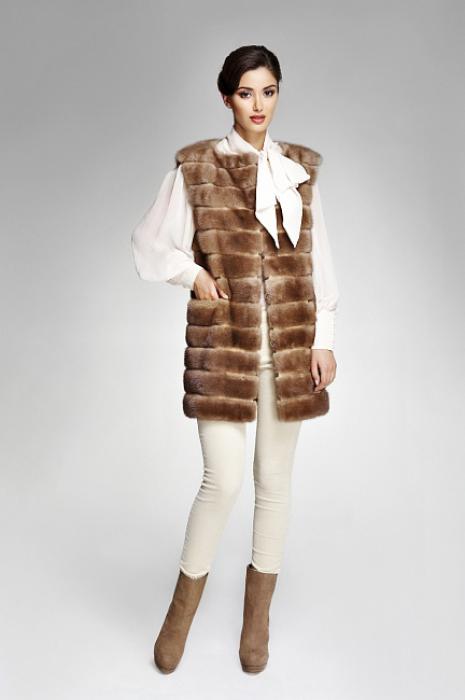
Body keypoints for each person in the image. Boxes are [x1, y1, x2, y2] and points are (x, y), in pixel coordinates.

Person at [131, 45, 339, 674]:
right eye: (246, 93)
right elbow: (150, 243)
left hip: (290, 348)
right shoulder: (197, 168)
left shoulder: (298, 170)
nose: (258, 105)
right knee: (222, 480)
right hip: (225, 349)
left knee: (274, 482)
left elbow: (319, 259)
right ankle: (179, 615)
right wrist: (193, 274)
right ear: (226, 96)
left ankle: (257, 622)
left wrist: (324, 336)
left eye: (268, 91)